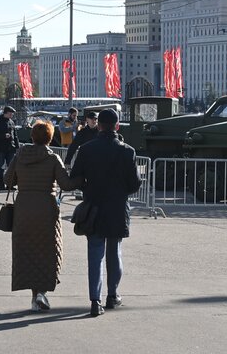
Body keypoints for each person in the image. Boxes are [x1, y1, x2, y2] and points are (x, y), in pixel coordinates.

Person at [70, 108, 142, 317]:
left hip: (93, 206)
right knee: (114, 252)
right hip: (118, 207)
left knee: (95, 254)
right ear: (117, 126)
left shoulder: (86, 149)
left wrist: (88, 189)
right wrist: (120, 193)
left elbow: (76, 177)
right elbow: (135, 183)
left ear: (99, 125)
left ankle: (95, 300)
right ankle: (113, 295)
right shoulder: (127, 151)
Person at [4, 120, 82, 312]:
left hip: (23, 211)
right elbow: (66, 184)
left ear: (32, 137)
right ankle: (42, 293)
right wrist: (82, 176)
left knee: (27, 253)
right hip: (46, 210)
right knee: (48, 252)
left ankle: (34, 297)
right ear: (49, 137)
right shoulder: (53, 158)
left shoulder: (20, 155)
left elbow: (7, 179)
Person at [0, 105, 20, 190]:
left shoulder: (11, 122)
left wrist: (17, 147)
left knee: (11, 168)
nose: (12, 115)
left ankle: (10, 185)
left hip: (10, 148)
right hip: (0, 148)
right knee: (1, 167)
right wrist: (3, 136)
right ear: (5, 113)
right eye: (10, 113)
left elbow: (15, 135)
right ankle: (1, 185)